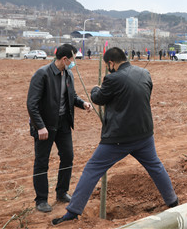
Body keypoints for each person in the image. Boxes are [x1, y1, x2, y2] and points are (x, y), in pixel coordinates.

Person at [51, 47, 178, 225]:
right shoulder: (144, 73)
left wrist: (95, 89)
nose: (107, 68)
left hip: (118, 138)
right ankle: (173, 201)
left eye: (107, 66)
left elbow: (98, 98)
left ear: (111, 63)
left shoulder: (113, 79)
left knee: (92, 169)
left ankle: (72, 212)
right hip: (144, 134)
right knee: (155, 167)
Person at [26, 44, 93, 213]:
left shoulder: (68, 74)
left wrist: (82, 103)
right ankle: (41, 200)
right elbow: (32, 104)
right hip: (45, 126)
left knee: (68, 157)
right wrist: (40, 126)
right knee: (42, 162)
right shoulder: (42, 74)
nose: (74, 63)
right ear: (65, 59)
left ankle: (62, 192)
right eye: (73, 59)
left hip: (63, 124)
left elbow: (72, 96)